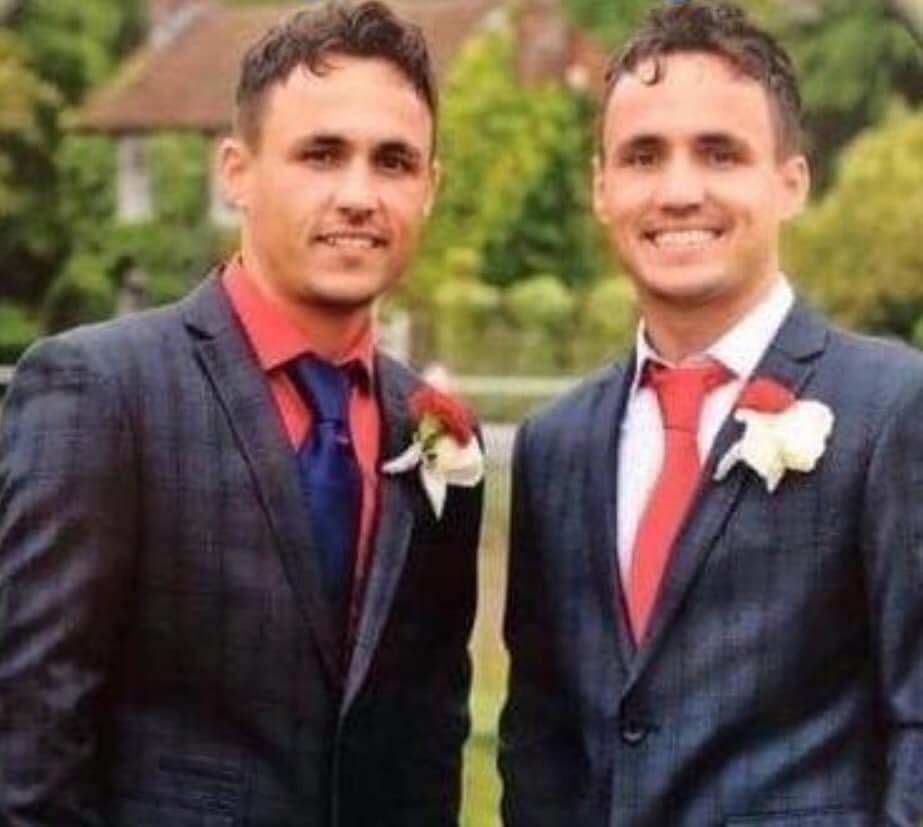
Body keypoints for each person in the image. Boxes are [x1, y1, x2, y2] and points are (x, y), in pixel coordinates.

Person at [0, 2, 484, 824]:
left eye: (394, 161)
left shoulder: (434, 431)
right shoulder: (101, 391)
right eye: (320, 154)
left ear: (429, 188)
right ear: (237, 171)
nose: (359, 195)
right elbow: (30, 731)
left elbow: (426, 733)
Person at [498, 3, 923, 825]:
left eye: (720, 153)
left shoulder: (892, 410)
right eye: (642, 156)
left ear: (789, 181)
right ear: (601, 187)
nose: (679, 190)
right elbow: (539, 737)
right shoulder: (556, 446)